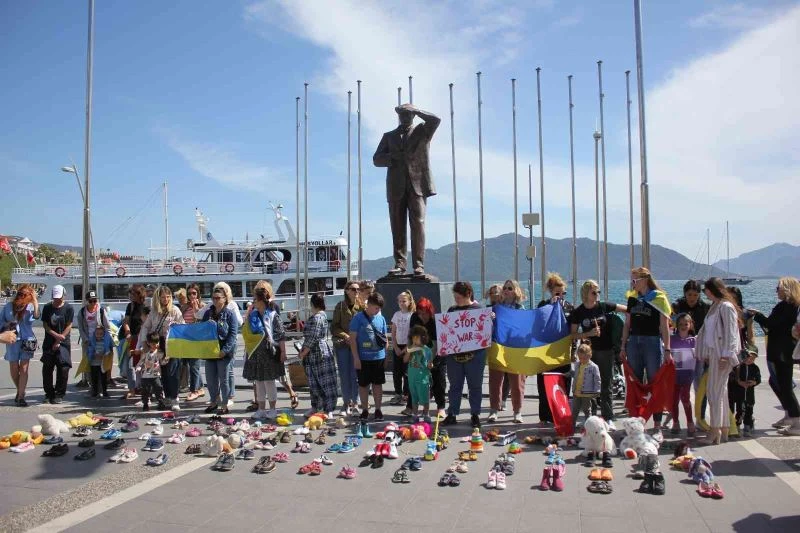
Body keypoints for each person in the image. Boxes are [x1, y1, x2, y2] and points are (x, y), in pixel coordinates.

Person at [373, 103, 441, 276]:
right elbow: (377, 159)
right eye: (402, 114)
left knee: (418, 224)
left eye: (408, 114)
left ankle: (419, 264)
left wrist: (418, 110)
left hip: (417, 185)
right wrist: (392, 157)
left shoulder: (422, 131)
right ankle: (400, 263)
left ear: (413, 116)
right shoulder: (389, 136)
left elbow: (435, 120)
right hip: (396, 187)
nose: (405, 117)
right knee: (397, 226)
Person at [620, 267, 673, 432]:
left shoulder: (659, 298)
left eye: (635, 280)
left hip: (652, 342)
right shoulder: (632, 298)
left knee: (654, 380)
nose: (632, 283)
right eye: (631, 280)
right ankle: (634, 421)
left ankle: (657, 422)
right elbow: (627, 324)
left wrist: (667, 349)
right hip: (634, 341)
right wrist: (623, 345)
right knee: (634, 380)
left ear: (644, 280)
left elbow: (664, 326)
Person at [568, 280, 627, 427]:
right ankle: (592, 418)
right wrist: (588, 333)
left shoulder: (604, 306)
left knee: (606, 384)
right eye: (594, 292)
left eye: (598, 292)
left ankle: (608, 417)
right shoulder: (578, 312)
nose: (597, 294)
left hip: (606, 350)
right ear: (586, 294)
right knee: (590, 384)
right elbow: (572, 334)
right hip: (588, 352)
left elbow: (626, 309)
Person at [694, 277, 741, 445]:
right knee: (721, 392)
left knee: (714, 392)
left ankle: (715, 430)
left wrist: (726, 355)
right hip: (715, 353)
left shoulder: (725, 307)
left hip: (722, 354)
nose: (704, 293)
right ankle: (724, 429)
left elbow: (731, 333)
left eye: (706, 289)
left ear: (712, 289)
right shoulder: (715, 306)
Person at [752, 276, 800, 435]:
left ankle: (796, 418)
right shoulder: (788, 306)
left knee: (784, 384)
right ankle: (790, 414)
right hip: (781, 349)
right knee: (776, 382)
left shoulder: (787, 307)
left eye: (778, 288)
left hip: (782, 351)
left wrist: (757, 315)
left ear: (786, 289)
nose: (776, 291)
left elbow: (771, 324)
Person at [442, 281, 485, 428]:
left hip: (476, 356)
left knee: (475, 386)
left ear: (468, 294)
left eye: (458, 297)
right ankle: (452, 413)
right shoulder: (452, 310)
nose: (456, 300)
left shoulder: (479, 310)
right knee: (455, 385)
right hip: (454, 357)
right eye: (455, 297)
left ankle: (475, 414)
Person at [242, 283, 287, 419]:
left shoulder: (272, 315)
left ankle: (272, 409)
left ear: (261, 300)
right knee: (259, 381)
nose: (253, 302)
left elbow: (281, 335)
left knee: (269, 381)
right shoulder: (252, 315)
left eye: (255, 299)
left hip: (269, 352)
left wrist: (283, 352)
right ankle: (261, 409)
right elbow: (245, 332)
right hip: (255, 352)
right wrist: (248, 314)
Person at [136, 286, 184, 410]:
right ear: (158, 298)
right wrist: (145, 343)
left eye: (168, 297)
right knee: (162, 372)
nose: (166, 299)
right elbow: (146, 327)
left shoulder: (175, 310)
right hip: (158, 344)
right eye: (163, 297)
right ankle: (166, 397)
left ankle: (174, 398)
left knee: (173, 372)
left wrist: (176, 327)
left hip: (172, 344)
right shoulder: (153, 311)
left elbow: (182, 327)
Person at [536, 273, 574, 427]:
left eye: (563, 293)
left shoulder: (569, 307)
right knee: (544, 383)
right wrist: (550, 308)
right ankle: (545, 416)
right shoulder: (542, 306)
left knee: (563, 382)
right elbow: (538, 326)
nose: (561, 296)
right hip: (546, 352)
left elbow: (574, 328)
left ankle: (561, 414)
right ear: (551, 292)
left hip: (563, 351)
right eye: (557, 293)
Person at [488, 279, 527, 424]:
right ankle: (494, 410)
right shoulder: (496, 308)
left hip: (515, 350)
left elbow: (524, 330)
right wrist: (490, 319)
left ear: (515, 291)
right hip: (498, 348)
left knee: (517, 383)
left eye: (509, 288)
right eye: (505, 287)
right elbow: (488, 329)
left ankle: (517, 412)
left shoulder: (521, 310)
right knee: (495, 381)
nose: (506, 290)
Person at [298, 293, 338, 419]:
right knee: (319, 381)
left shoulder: (316, 318)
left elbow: (313, 337)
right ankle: (318, 407)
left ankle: (327, 408)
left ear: (312, 304)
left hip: (317, 352)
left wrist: (303, 352)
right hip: (319, 351)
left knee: (322, 381)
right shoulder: (322, 316)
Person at [350, 291, 388, 422]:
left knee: (377, 384)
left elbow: (384, 337)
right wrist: (356, 358)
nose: (378, 311)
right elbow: (353, 339)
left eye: (380, 308)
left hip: (379, 357)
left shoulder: (381, 318)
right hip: (363, 358)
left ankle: (378, 409)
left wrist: (385, 353)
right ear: (370, 304)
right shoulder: (357, 318)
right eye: (376, 308)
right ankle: (365, 410)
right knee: (363, 385)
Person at [0, 284, 40, 406]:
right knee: (13, 368)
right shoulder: (8, 307)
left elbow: (36, 317)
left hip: (27, 338)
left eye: (26, 294)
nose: (22, 296)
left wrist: (35, 301)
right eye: (20, 294)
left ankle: (21, 396)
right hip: (12, 338)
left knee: (24, 368)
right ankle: (20, 390)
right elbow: (1, 321)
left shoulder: (30, 307)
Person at [201, 286, 239, 414]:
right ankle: (213, 401)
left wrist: (225, 350)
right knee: (211, 380)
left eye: (218, 298)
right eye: (213, 298)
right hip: (210, 351)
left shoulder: (230, 314)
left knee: (224, 380)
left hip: (223, 352)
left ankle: (224, 404)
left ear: (224, 299)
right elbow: (202, 330)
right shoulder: (208, 313)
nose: (215, 300)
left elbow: (233, 335)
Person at [409, 297, 446, 419]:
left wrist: (430, 360)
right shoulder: (414, 318)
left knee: (438, 381)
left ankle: (440, 407)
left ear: (430, 312)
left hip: (434, 352)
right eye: (420, 314)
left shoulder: (435, 321)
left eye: (424, 314)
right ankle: (412, 407)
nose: (422, 317)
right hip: (418, 352)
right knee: (415, 381)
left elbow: (435, 345)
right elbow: (411, 337)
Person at [331, 280, 361, 415]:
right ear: (347, 291)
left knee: (355, 374)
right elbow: (334, 327)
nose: (356, 292)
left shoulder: (361, 307)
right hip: (343, 344)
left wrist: (354, 337)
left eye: (358, 289)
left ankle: (356, 402)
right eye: (353, 289)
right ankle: (346, 403)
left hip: (357, 344)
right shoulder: (340, 306)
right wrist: (345, 336)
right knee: (344, 375)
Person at [40, 285, 73, 404]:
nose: (57, 300)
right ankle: (49, 393)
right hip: (49, 340)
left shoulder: (68, 308)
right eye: (55, 297)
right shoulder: (48, 307)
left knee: (63, 367)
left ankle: (60, 393)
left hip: (64, 341)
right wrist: (55, 336)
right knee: (47, 367)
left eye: (59, 297)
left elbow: (69, 325)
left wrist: (60, 339)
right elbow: (45, 325)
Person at [670, 313, 697, 436]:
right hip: (674, 375)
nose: (683, 326)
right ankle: (675, 422)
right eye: (680, 324)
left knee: (685, 398)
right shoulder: (671, 339)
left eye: (685, 324)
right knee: (674, 400)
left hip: (687, 375)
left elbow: (700, 356)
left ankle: (690, 422)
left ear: (690, 324)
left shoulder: (694, 340)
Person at [77, 290, 109, 391]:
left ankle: (102, 387)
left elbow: (107, 326)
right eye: (90, 301)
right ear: (86, 301)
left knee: (102, 364)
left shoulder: (101, 310)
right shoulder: (82, 312)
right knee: (89, 364)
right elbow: (81, 328)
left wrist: (106, 340)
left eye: (95, 301)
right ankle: (93, 386)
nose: (93, 303)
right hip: (88, 342)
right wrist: (86, 339)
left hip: (100, 340)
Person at [728, 344, 761, 437]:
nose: (750, 360)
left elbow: (758, 379)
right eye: (748, 357)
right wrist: (740, 382)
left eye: (753, 358)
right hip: (740, 395)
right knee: (741, 411)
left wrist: (754, 382)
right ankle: (737, 426)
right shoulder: (738, 367)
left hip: (750, 395)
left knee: (749, 411)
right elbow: (733, 378)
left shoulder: (755, 368)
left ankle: (747, 427)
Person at [120, 285, 146, 400]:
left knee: (144, 364)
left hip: (143, 338)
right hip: (132, 337)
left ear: (140, 295)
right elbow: (125, 321)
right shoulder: (130, 306)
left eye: (133, 294)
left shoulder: (146, 306)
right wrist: (128, 332)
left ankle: (144, 388)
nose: (131, 296)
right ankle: (132, 389)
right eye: (130, 294)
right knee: (130, 364)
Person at [390, 290, 414, 414]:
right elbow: (393, 332)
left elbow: (412, 335)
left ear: (409, 301)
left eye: (404, 301)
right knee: (397, 371)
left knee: (407, 372)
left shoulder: (412, 315)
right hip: (397, 346)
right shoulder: (396, 315)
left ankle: (406, 393)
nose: (402, 303)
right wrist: (395, 347)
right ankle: (398, 393)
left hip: (408, 346)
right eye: (399, 301)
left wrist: (406, 349)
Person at [181, 283, 205, 401]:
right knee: (191, 365)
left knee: (194, 365)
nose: (191, 296)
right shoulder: (184, 307)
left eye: (194, 293)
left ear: (198, 294)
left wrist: (197, 308)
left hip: (197, 340)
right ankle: (200, 388)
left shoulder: (202, 306)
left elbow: (203, 321)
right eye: (189, 293)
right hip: (186, 339)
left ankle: (194, 390)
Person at [405, 325, 433, 422]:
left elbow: (430, 364)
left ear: (423, 338)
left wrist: (430, 365)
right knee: (414, 397)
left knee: (425, 396)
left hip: (423, 378)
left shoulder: (427, 350)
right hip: (412, 377)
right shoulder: (410, 349)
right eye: (413, 338)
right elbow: (405, 360)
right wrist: (410, 350)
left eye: (417, 338)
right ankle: (415, 414)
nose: (415, 340)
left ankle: (426, 413)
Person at [570, 343, 601, 427]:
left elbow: (597, 379)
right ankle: (571, 425)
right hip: (576, 392)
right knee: (574, 410)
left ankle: (589, 426)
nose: (582, 360)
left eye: (584, 358)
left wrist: (597, 390)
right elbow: (575, 374)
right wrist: (569, 373)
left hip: (587, 393)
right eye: (580, 358)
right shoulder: (577, 364)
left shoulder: (594, 367)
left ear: (590, 355)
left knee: (587, 410)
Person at [136, 332, 165, 412]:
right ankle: (145, 404)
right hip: (146, 375)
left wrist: (166, 359)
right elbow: (141, 361)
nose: (155, 345)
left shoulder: (159, 353)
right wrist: (138, 367)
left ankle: (161, 402)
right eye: (153, 343)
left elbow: (162, 362)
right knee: (145, 390)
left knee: (158, 389)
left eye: (157, 342)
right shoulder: (146, 353)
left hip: (156, 375)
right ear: (149, 343)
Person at [89, 324, 113, 399]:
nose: (99, 335)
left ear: (103, 334)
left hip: (103, 363)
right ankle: (95, 392)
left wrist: (103, 354)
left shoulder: (105, 341)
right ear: (94, 333)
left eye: (101, 334)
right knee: (94, 378)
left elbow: (108, 351)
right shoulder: (92, 341)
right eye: (97, 334)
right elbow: (89, 350)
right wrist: (93, 354)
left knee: (104, 378)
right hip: (94, 363)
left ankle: (105, 392)